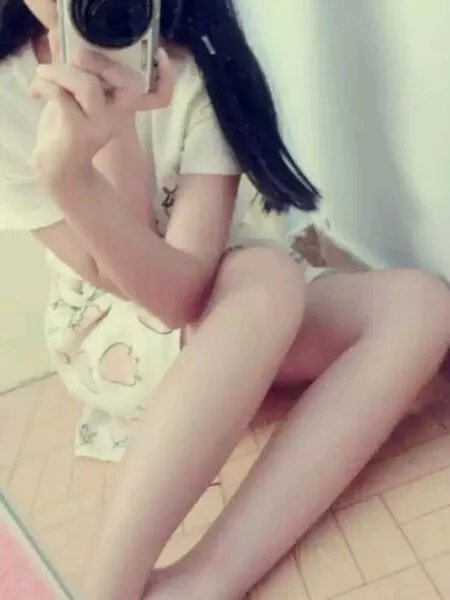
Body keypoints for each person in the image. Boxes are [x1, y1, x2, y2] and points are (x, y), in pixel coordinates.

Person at [0, 1, 449, 599]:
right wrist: (72, 175)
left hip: (226, 298)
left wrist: (111, 131)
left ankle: (205, 580)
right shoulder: (8, 94)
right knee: (264, 278)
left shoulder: (197, 64)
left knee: (419, 306)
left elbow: (182, 294)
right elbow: (147, 302)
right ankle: (108, 588)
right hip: (117, 328)